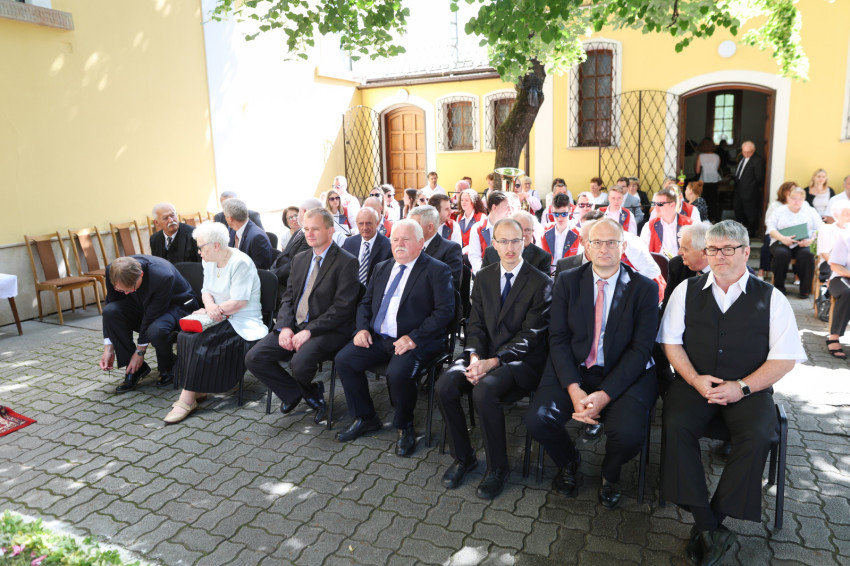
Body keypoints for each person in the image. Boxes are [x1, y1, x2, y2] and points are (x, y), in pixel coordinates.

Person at [658, 220, 805, 566]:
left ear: (745, 251)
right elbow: (670, 342)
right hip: (695, 385)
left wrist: (742, 387)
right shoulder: (686, 291)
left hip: (749, 389)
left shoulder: (772, 297)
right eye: (712, 249)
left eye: (728, 249)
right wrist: (694, 379)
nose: (719, 256)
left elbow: (785, 359)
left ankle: (710, 523)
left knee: (759, 434)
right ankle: (711, 529)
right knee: (676, 425)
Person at [527, 218, 658, 509]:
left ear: (623, 246)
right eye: (597, 242)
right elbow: (558, 338)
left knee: (628, 435)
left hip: (625, 372)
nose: (604, 248)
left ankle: (610, 474)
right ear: (586, 246)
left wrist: (605, 395)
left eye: (612, 242)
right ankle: (569, 460)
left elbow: (640, 350)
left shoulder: (644, 288)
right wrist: (574, 389)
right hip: (576, 367)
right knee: (538, 420)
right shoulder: (567, 281)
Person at [436, 218, 552, 499]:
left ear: (525, 241)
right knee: (445, 386)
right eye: (503, 241)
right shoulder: (484, 276)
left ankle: (498, 468)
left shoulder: (541, 282)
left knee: (484, 391)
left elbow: (530, 336)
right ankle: (464, 457)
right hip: (482, 354)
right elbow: (475, 324)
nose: (510, 247)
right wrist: (476, 355)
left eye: (515, 241)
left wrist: (494, 361)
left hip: (521, 362)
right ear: (494, 244)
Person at [334, 220, 455, 457]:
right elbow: (366, 303)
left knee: (398, 373)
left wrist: (414, 338)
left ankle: (404, 426)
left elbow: (444, 312)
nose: (399, 244)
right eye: (395, 239)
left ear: (420, 243)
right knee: (344, 360)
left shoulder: (437, 270)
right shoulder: (382, 267)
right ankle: (366, 417)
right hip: (380, 337)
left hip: (417, 340)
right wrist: (361, 329)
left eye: (406, 239)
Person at [244, 209, 360, 424]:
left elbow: (342, 308)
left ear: (330, 230)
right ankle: (302, 393)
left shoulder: (347, 262)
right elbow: (289, 297)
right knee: (254, 357)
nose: (309, 234)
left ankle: (301, 392)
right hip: (296, 325)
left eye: (315, 229)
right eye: (306, 229)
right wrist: (284, 327)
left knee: (299, 364)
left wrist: (309, 331)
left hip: (328, 329)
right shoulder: (300, 259)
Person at [164, 223, 267, 423]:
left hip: (242, 319)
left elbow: (239, 302)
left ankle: (187, 399)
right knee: (184, 336)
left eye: (201, 247)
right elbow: (206, 290)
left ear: (216, 246)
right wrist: (210, 307)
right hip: (218, 314)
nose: (198, 251)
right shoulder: (210, 260)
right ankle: (198, 387)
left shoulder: (240, 263)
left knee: (199, 341)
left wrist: (213, 311)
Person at [99, 255, 197, 393]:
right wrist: (109, 347)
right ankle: (135, 368)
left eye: (129, 289)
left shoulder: (162, 276)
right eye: (121, 290)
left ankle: (169, 366)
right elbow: (113, 302)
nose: (126, 293)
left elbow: (151, 316)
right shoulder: (112, 270)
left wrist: (139, 352)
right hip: (143, 304)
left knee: (156, 329)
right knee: (110, 311)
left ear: (141, 275)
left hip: (176, 305)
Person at [766, 186, 821, 297]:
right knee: (781, 254)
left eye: (800, 199)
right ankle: (779, 288)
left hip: (804, 242)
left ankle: (805, 290)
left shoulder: (810, 211)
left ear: (804, 200)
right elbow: (770, 227)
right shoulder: (779, 210)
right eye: (794, 198)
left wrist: (810, 241)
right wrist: (782, 238)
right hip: (781, 241)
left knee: (807, 254)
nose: (797, 201)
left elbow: (819, 228)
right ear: (788, 198)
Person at [409, 205, 463, 289]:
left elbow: (450, 285)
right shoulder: (408, 246)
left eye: (415, 225)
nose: (410, 229)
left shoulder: (450, 249)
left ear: (430, 227)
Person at [481, 211, 551, 274]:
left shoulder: (542, 257)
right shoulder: (490, 252)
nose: (523, 234)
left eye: (527, 230)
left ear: (532, 232)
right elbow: (482, 280)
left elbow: (542, 283)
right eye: (519, 229)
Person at [270, 198, 316, 295]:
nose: (295, 218)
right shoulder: (298, 232)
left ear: (303, 212)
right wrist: (271, 271)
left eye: (297, 214)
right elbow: (282, 256)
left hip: (292, 283)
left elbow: (295, 265)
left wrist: (272, 274)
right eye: (290, 217)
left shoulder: (308, 236)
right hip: (281, 275)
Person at [341, 208, 392, 286]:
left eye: (368, 223)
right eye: (361, 223)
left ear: (377, 223)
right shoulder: (349, 243)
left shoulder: (388, 246)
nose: (364, 228)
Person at [468, 191, 512, 274]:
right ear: (494, 207)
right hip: (484, 273)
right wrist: (485, 274)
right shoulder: (477, 228)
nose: (510, 210)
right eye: (506, 206)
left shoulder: (512, 228)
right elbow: (474, 257)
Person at [641, 187, 693, 257]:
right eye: (654, 204)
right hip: (657, 263)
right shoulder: (649, 226)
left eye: (660, 204)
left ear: (672, 205)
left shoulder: (690, 225)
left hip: (682, 263)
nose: (656, 207)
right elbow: (642, 253)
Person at [224, 198, 273, 270]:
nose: (225, 218)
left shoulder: (257, 238)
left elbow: (260, 271)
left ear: (230, 219)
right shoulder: (232, 229)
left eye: (225, 216)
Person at [827, 214, 850, 359]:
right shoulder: (845, 237)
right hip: (842, 277)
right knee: (848, 293)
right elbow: (835, 265)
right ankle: (834, 337)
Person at [541, 194, 581, 275]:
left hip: (569, 274)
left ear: (570, 211)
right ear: (551, 211)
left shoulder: (578, 234)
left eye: (564, 214)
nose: (559, 218)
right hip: (548, 274)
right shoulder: (544, 233)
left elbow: (580, 261)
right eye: (556, 214)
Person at [733, 141, 766, 236]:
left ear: (754, 150)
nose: (746, 154)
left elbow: (760, 177)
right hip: (738, 188)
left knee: (750, 211)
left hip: (750, 190)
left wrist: (753, 187)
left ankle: (751, 232)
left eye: (749, 152)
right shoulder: (741, 158)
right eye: (744, 152)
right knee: (737, 208)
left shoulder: (757, 160)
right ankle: (740, 229)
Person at [695, 137, 721, 221]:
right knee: (714, 200)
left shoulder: (700, 156)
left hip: (704, 179)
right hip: (714, 179)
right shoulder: (717, 156)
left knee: (704, 199)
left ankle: (704, 218)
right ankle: (713, 218)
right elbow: (717, 168)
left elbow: (697, 171)